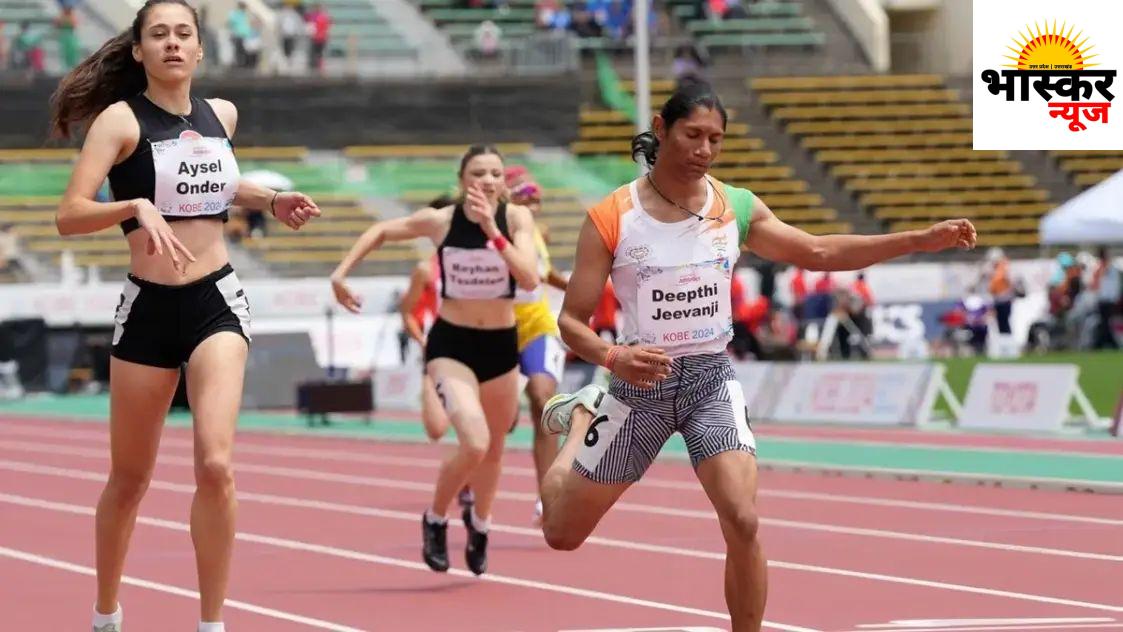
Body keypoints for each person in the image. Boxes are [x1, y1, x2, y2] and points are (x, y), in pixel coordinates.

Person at [533, 83, 977, 632]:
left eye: (715, 139)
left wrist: (915, 240)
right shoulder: (612, 216)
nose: (704, 149)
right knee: (561, 533)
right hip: (638, 384)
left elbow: (817, 251)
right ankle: (581, 417)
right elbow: (571, 322)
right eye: (693, 134)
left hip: (709, 379)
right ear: (661, 128)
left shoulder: (735, 207)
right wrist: (613, 357)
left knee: (742, 519)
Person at [48, 2, 321, 630]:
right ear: (138, 50)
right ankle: (107, 613)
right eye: (158, 34)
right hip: (147, 307)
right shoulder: (119, 121)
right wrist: (133, 207)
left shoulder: (221, 114)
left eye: (183, 34)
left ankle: (212, 623)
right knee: (129, 479)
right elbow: (69, 214)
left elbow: (216, 186)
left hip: (214, 302)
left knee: (216, 465)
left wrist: (271, 199)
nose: (172, 43)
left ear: (200, 49)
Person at [330, 145, 539, 576]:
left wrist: (492, 231)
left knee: (494, 451)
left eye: (495, 173)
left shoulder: (517, 218)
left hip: (500, 346)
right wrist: (341, 273)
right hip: (452, 345)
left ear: (504, 181)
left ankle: (480, 524)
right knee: (475, 442)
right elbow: (382, 231)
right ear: (462, 180)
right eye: (477, 173)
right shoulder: (442, 222)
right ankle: (436, 517)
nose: (487, 180)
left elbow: (530, 277)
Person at [504, 166, 569, 525]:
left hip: (536, 325)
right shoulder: (490, 229)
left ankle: (548, 496)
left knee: (544, 402)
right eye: (523, 195)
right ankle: (470, 477)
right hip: (495, 328)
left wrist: (581, 290)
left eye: (536, 198)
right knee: (502, 420)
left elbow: (544, 274)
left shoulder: (536, 234)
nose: (532, 202)